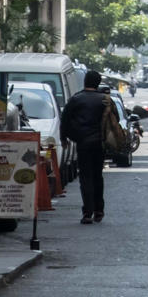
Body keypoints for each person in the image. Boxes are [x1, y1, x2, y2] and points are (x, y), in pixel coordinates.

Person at [61, 71, 114, 224]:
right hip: (100, 144)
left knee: (86, 178)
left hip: (83, 143)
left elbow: (65, 119)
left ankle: (87, 212)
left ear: (85, 81)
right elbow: (113, 122)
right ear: (98, 83)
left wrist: (64, 137)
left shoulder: (76, 99)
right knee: (97, 176)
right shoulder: (105, 100)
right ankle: (99, 210)